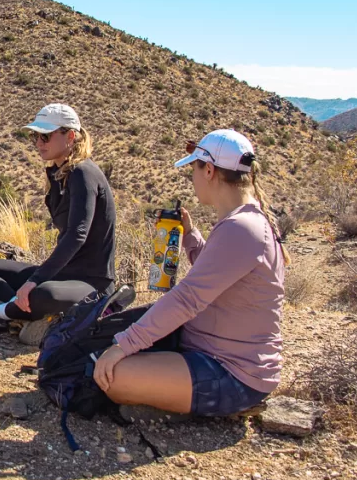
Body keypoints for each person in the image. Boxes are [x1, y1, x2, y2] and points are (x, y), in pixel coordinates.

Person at [93, 129, 289, 420]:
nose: (193, 179)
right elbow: (215, 276)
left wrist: (125, 344)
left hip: (232, 371)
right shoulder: (245, 221)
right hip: (210, 353)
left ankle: (173, 406)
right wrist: (191, 237)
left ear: (209, 170)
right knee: (102, 356)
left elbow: (188, 298)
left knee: (113, 376)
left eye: (194, 170)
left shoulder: (241, 227)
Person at [0, 103, 119, 342]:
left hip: (91, 282)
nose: (39, 143)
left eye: (46, 136)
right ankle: (21, 314)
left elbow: (77, 235)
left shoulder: (83, 173)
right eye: (35, 136)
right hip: (62, 273)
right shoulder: (60, 173)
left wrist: (35, 280)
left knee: (42, 292)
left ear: (70, 136)